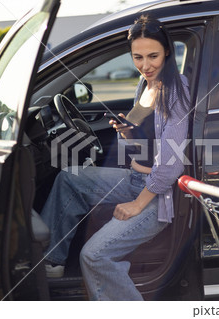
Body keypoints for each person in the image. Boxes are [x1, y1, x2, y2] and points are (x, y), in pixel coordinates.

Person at [40, 14, 190, 300]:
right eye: (138, 57)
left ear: (167, 51)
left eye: (153, 56)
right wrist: (128, 133)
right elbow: (147, 144)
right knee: (70, 177)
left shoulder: (176, 91)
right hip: (135, 177)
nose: (145, 65)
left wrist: (137, 204)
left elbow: (171, 164)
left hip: (157, 195)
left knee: (95, 256)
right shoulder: (145, 84)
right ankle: (50, 262)